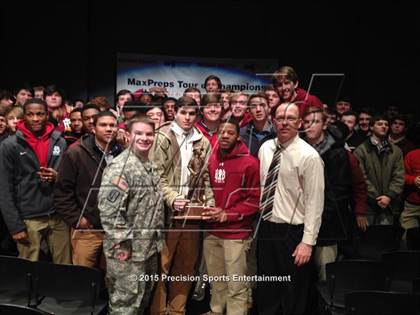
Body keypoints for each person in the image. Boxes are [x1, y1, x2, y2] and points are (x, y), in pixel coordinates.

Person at [149, 96, 215, 315]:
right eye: (183, 113)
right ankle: (159, 311)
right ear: (174, 113)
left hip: (191, 215)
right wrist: (171, 197)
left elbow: (205, 178)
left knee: (186, 267)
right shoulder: (161, 137)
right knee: (161, 268)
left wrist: (210, 204)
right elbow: (155, 175)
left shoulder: (202, 140)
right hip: (166, 213)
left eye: (191, 114)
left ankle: (177, 310)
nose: (187, 118)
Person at [257, 102, 324, 315]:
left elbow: (315, 203)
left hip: (293, 234)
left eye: (291, 118)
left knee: (293, 293)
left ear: (300, 123)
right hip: (267, 228)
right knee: (267, 290)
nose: (285, 123)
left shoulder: (309, 156)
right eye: (280, 118)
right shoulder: (265, 148)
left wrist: (307, 242)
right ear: (273, 121)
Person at [99, 115, 165, 314]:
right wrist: (124, 245)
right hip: (127, 254)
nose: (145, 138)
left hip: (148, 249)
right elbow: (109, 213)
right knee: (124, 305)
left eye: (149, 134)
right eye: (139, 133)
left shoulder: (148, 166)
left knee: (141, 301)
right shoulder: (121, 168)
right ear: (127, 135)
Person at [0, 98, 71, 263]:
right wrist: (15, 226)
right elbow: (4, 188)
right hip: (28, 219)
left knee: (65, 268)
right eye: (30, 114)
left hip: (57, 215)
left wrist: (58, 177)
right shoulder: (10, 145)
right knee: (28, 273)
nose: (35, 119)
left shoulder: (59, 140)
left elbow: (69, 179)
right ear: (24, 116)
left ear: (47, 115)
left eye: (40, 114)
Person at [302, 106, 368, 280]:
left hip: (328, 223)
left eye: (315, 122)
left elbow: (343, 190)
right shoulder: (297, 148)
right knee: (301, 277)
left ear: (324, 125)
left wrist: (320, 215)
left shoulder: (341, 154)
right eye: (307, 122)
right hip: (299, 221)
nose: (310, 126)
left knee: (325, 274)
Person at [204, 118, 260, 315]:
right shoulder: (210, 159)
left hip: (236, 233)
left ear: (238, 137)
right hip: (211, 231)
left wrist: (228, 214)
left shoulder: (250, 163)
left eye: (230, 132)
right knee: (216, 280)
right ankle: (216, 310)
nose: (225, 136)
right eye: (221, 132)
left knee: (236, 284)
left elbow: (254, 200)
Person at [54, 111, 121, 267]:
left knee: (113, 277)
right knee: (83, 278)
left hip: (115, 229)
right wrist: (78, 220)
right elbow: (62, 192)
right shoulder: (75, 153)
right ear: (93, 129)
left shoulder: (122, 152)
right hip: (88, 230)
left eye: (112, 125)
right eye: (103, 125)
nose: (109, 129)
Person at [354, 114, 405, 226]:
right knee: (368, 239)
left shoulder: (396, 151)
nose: (384, 126)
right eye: (380, 124)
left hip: (389, 203)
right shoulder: (361, 151)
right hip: (369, 204)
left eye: (386, 124)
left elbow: (399, 176)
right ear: (371, 127)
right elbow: (362, 178)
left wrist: (388, 196)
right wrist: (377, 197)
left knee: (386, 239)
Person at [240, 93, 275, 158]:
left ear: (269, 108)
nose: (258, 109)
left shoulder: (278, 133)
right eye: (253, 106)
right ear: (249, 111)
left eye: (262, 105)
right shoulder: (241, 135)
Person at [400, 149, 420, 250]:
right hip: (412, 206)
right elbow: (401, 176)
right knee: (406, 239)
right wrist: (413, 180)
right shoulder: (412, 155)